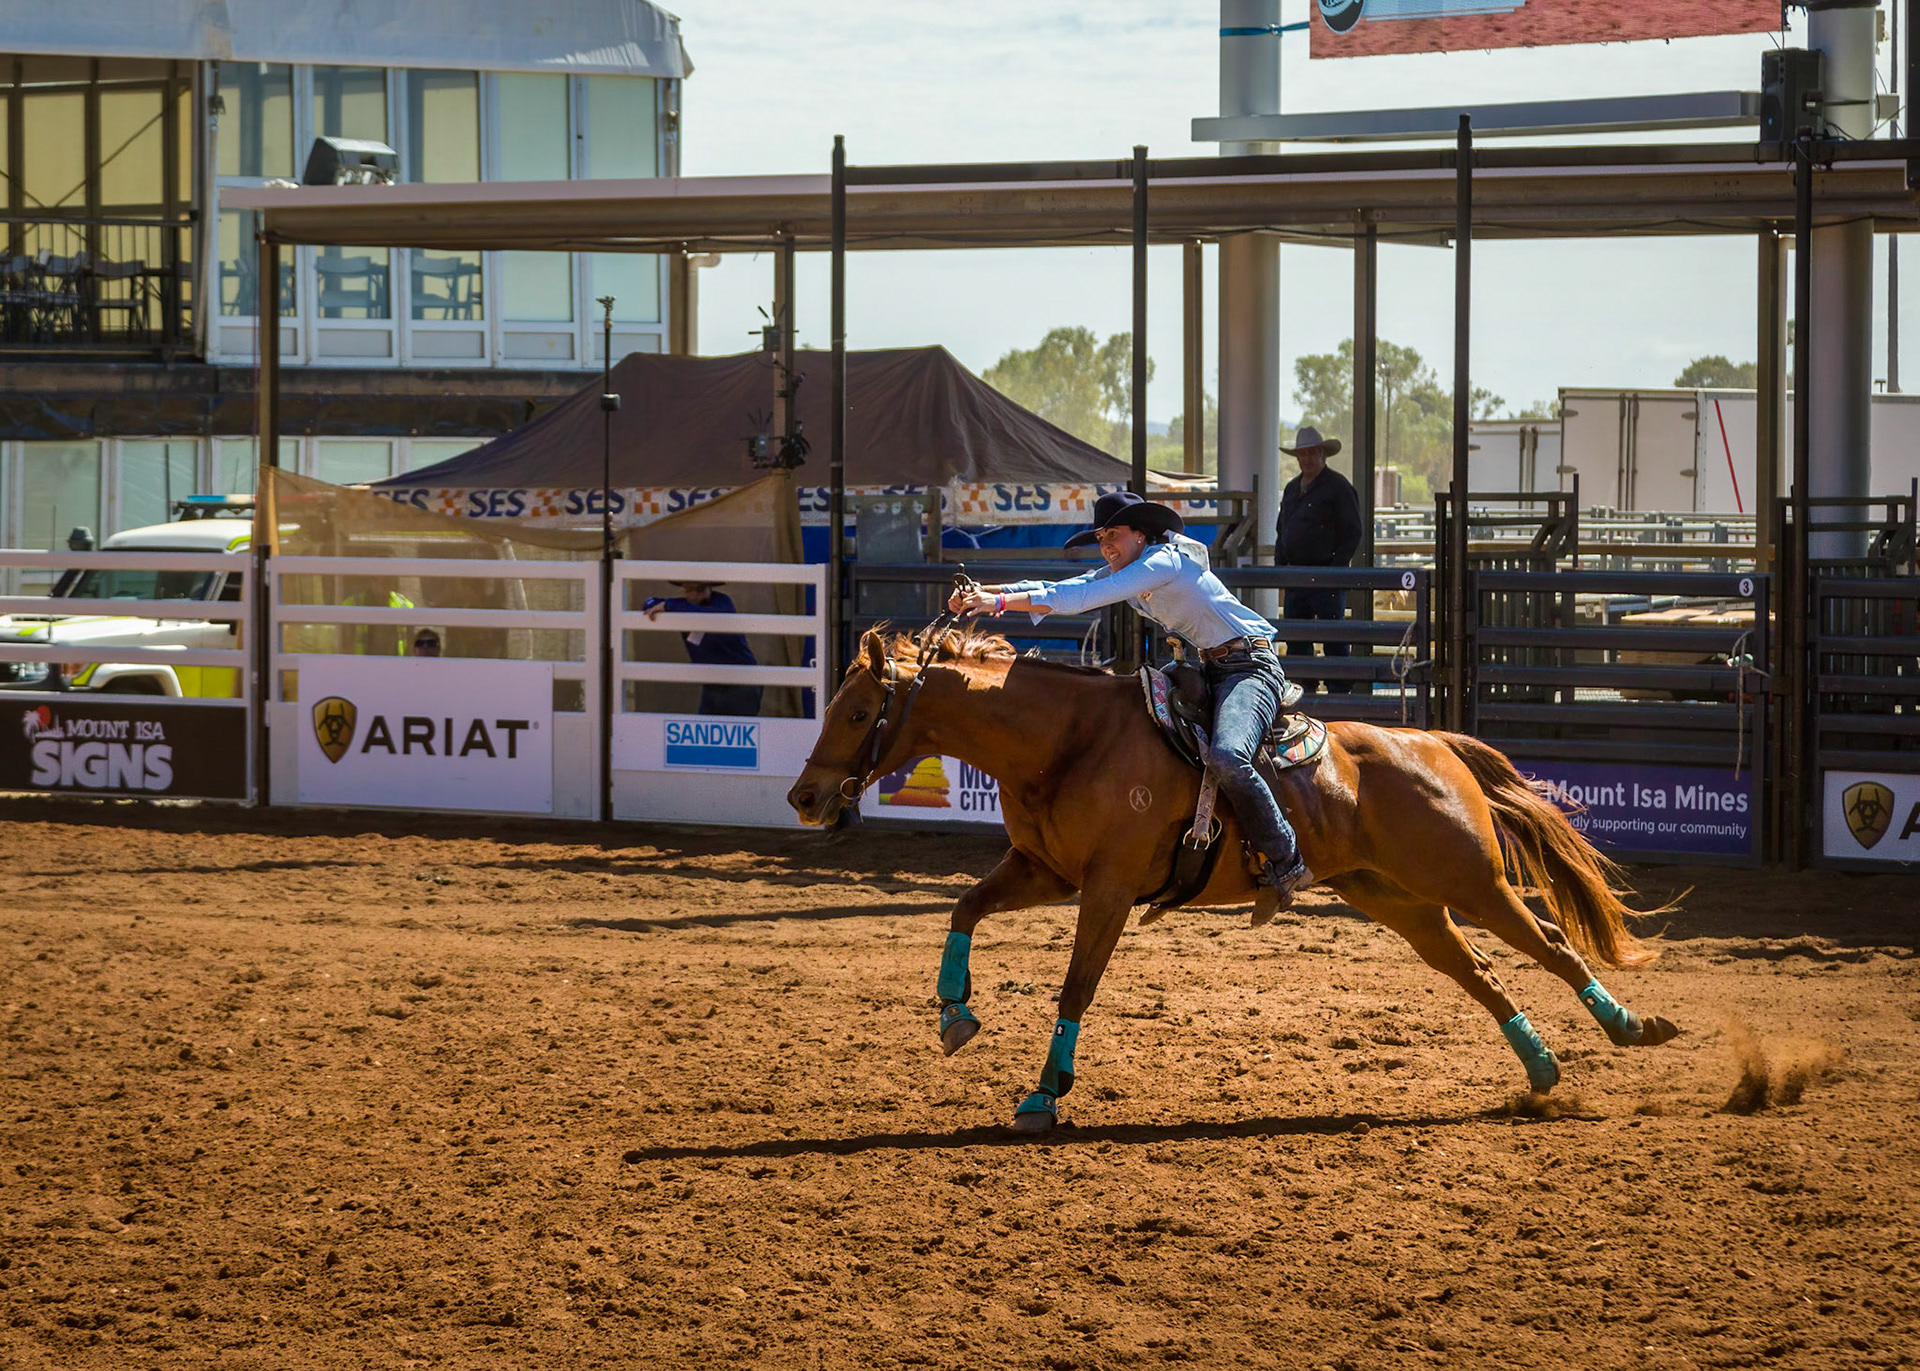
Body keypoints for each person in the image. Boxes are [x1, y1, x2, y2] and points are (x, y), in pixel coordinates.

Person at [947, 490, 1313, 906]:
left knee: (1229, 757)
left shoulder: (1163, 561)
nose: (1105, 546)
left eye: (1113, 535)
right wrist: (987, 593)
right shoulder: (1140, 567)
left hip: (1252, 666)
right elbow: (1060, 587)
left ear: (1141, 535)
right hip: (1212, 668)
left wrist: (994, 601)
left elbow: (1077, 598)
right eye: (1101, 537)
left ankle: (1286, 856)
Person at [1275, 425, 1364, 696]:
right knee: (1297, 639)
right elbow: (1283, 529)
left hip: (1326, 575)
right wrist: (1281, 571)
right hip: (1297, 576)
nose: (1307, 459)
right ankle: (1305, 691)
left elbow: (1353, 530)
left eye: (1312, 453)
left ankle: (1340, 694)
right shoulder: (1292, 488)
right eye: (1302, 454)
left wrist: (1336, 568)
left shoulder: (1337, 486)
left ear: (1322, 454)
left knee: (1332, 636)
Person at [641, 580, 762, 717]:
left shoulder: (722, 602)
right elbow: (650, 604)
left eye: (699, 590)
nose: (694, 595)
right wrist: (667, 606)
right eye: (689, 590)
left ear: (709, 589)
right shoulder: (682, 607)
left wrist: (669, 605)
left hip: (741, 683)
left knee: (739, 733)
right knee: (705, 733)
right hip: (711, 684)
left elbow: (715, 616)